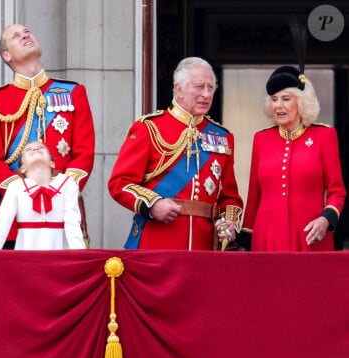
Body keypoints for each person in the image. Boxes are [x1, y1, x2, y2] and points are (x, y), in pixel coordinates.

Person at [0, 24, 95, 249]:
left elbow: (84, 153)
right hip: (15, 216)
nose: (25, 36)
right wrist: (24, 192)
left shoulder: (73, 92)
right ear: (7, 55)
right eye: (16, 36)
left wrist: (61, 190)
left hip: (64, 213)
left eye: (28, 32)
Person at [108, 57, 243, 250]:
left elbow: (231, 198)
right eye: (199, 87)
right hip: (157, 242)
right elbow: (120, 183)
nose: (206, 94)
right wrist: (153, 205)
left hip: (203, 246)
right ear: (178, 89)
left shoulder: (222, 136)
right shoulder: (149, 128)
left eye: (210, 88)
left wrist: (229, 223)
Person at [237, 66, 346, 251]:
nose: (278, 105)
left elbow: (337, 191)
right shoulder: (261, 139)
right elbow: (253, 197)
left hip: (310, 237)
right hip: (267, 238)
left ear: (302, 102)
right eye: (274, 99)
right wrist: (245, 239)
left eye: (286, 99)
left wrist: (326, 219)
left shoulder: (324, 136)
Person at [0, 142, 85, 250]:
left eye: (41, 148)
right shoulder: (15, 187)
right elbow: (1, 227)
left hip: (59, 256)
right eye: (29, 150)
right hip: (26, 257)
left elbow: (73, 225)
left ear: (52, 163)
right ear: (22, 168)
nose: (35, 149)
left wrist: (80, 258)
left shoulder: (68, 185)